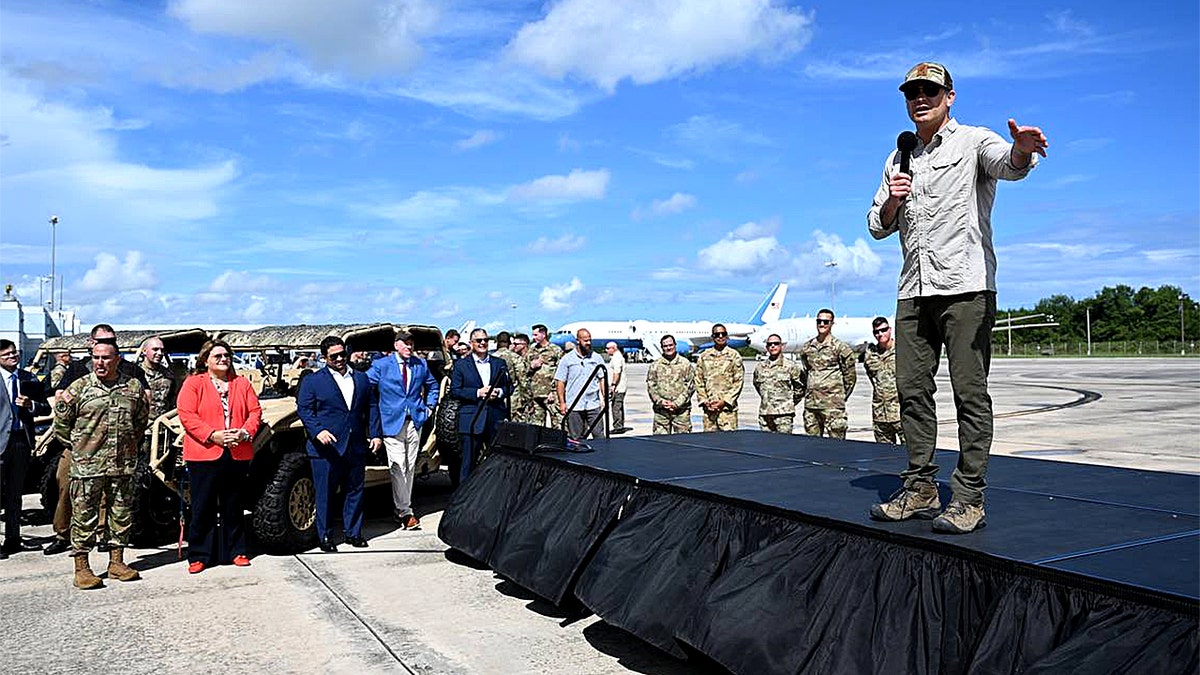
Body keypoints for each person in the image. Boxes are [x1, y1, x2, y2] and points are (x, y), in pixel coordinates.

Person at [867, 61, 1047, 534]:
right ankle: (921, 488)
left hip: (965, 287)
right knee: (910, 391)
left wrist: (1023, 152)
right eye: (912, 93)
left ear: (949, 96)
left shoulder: (973, 142)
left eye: (929, 91)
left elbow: (1007, 165)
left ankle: (968, 497)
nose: (919, 99)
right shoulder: (897, 158)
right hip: (913, 290)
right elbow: (876, 225)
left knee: (969, 393)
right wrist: (894, 199)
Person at [45, 323, 148, 557]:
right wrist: (79, 445)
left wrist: (127, 443)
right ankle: (80, 563)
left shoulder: (132, 385)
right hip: (86, 462)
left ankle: (117, 561)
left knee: (120, 513)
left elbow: (141, 420)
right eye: (96, 357)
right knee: (82, 512)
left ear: (117, 358)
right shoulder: (79, 384)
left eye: (106, 357)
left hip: (121, 462)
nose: (100, 362)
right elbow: (61, 422)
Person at [176, 340, 262, 573]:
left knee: (233, 505)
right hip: (204, 453)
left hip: (237, 452)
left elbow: (255, 411)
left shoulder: (241, 383)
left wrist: (244, 433)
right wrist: (213, 435)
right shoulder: (194, 383)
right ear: (206, 360)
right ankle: (200, 554)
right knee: (202, 506)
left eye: (226, 356)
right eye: (218, 356)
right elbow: (187, 414)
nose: (224, 359)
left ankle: (236, 550)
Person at [297, 336, 378, 551]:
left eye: (343, 354)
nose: (341, 359)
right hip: (326, 447)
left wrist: (376, 434)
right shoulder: (313, 381)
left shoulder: (361, 379)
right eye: (334, 356)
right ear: (324, 358)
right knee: (325, 494)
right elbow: (304, 410)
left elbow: (371, 407)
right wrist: (318, 431)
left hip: (355, 444)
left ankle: (354, 533)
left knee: (355, 490)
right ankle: (325, 536)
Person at [367, 329, 439, 530]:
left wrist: (429, 408)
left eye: (411, 344)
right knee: (397, 465)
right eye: (405, 343)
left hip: (414, 421)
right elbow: (364, 384)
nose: (409, 347)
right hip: (391, 423)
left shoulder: (420, 364)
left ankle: (402, 508)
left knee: (409, 466)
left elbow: (433, 386)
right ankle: (406, 511)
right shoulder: (381, 366)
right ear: (396, 345)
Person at [1, 340, 50, 559]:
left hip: (21, 441)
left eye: (15, 353)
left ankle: (13, 538)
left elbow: (45, 407)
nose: (13, 357)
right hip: (1, 441)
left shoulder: (28, 379)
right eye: (7, 355)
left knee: (15, 493)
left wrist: (31, 405)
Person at [450, 329, 509, 483]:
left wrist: (499, 392)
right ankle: (465, 501)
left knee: (498, 462)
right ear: (471, 343)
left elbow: (509, 387)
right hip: (472, 419)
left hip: (495, 418)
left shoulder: (499, 363)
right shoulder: (461, 365)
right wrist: (477, 393)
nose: (483, 343)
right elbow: (455, 391)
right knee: (468, 464)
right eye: (479, 341)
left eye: (485, 340)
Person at [799, 310, 856, 439]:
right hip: (811, 405)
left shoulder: (841, 348)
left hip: (833, 405)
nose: (822, 324)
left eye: (826, 321)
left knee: (836, 447)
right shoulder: (808, 348)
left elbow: (850, 377)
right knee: (812, 446)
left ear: (832, 323)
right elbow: (807, 371)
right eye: (819, 321)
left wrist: (839, 396)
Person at [555, 328, 606, 439]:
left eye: (589, 340)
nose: (588, 343)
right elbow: (560, 382)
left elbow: (602, 379)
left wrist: (605, 397)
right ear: (578, 341)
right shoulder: (567, 359)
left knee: (599, 436)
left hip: (593, 404)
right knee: (576, 438)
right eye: (585, 340)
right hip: (574, 405)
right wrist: (562, 402)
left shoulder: (597, 358)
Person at [752, 334, 805, 434]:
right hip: (765, 413)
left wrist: (789, 402)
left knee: (784, 445)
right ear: (766, 347)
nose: (773, 346)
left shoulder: (791, 366)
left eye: (776, 344)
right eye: (770, 344)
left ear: (782, 346)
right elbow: (757, 385)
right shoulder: (760, 367)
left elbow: (800, 387)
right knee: (766, 446)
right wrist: (768, 398)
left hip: (783, 415)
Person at [694, 324, 743, 431]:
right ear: (712, 337)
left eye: (723, 334)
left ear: (727, 336)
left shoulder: (734, 356)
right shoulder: (704, 356)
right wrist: (704, 401)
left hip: (727, 411)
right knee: (710, 444)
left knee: (729, 444)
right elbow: (698, 381)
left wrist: (725, 401)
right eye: (717, 334)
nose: (720, 336)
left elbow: (738, 382)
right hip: (709, 411)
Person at [863, 317, 903, 445]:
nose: (880, 334)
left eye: (884, 330)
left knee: (909, 453)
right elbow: (872, 378)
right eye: (876, 332)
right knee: (884, 456)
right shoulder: (871, 355)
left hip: (901, 413)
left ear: (890, 330)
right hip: (880, 414)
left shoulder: (902, 351)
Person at [646, 335, 694, 435]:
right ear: (662, 347)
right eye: (665, 346)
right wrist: (661, 401)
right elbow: (651, 386)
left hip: (681, 413)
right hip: (661, 413)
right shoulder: (655, 365)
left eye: (670, 345)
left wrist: (676, 403)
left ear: (675, 345)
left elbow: (690, 387)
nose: (668, 348)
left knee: (683, 444)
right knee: (661, 445)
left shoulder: (685, 364)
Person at [525, 324, 563, 428]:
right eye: (533, 335)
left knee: (557, 425)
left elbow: (561, 373)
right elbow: (525, 372)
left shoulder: (555, 350)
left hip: (550, 394)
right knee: (536, 426)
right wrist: (532, 366)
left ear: (544, 334)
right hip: (536, 395)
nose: (534, 337)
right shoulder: (531, 351)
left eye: (536, 335)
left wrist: (554, 392)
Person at [139, 336, 179, 421]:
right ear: (144, 351)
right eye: (155, 349)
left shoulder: (169, 375)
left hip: (163, 426)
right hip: (141, 427)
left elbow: (172, 400)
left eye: (162, 350)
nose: (160, 353)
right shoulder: (135, 373)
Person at [605, 342, 630, 433]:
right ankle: (619, 425)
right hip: (620, 387)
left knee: (616, 407)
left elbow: (617, 372)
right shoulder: (617, 357)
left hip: (618, 387)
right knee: (618, 407)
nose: (606, 350)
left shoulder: (616, 358)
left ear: (613, 348)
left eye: (608, 348)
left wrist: (613, 384)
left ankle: (618, 427)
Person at [509, 333, 533, 424]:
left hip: (530, 395)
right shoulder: (514, 357)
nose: (513, 346)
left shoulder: (532, 356)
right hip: (518, 397)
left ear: (524, 345)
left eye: (516, 344)